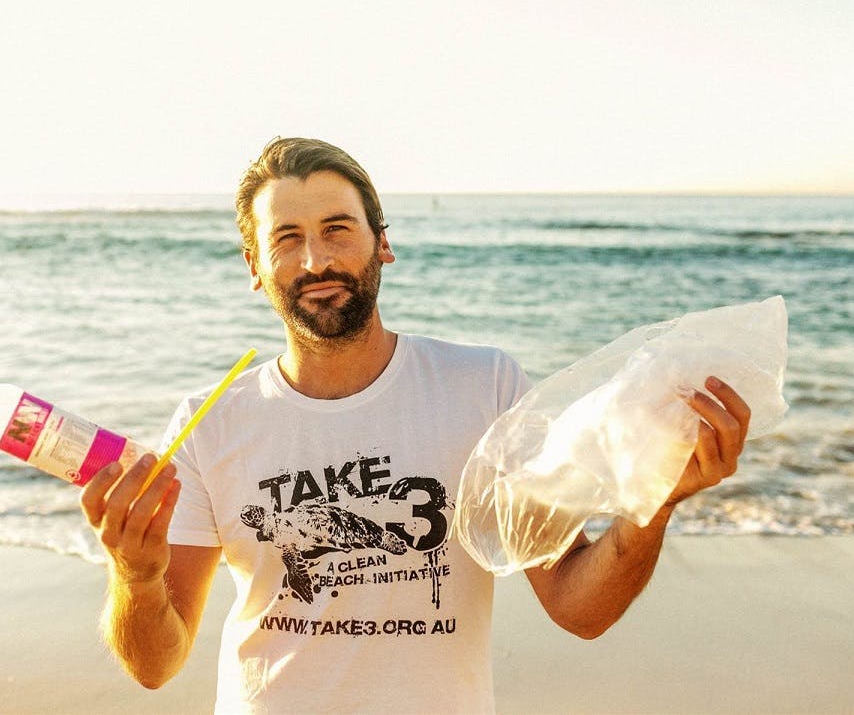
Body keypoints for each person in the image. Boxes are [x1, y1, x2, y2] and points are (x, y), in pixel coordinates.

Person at [81, 137, 751, 713]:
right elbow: (155, 664)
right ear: (255, 267)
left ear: (383, 244)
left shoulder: (482, 388)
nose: (316, 260)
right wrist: (134, 578)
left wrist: (654, 500)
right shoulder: (212, 422)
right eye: (287, 238)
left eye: (338, 228)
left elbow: (579, 607)